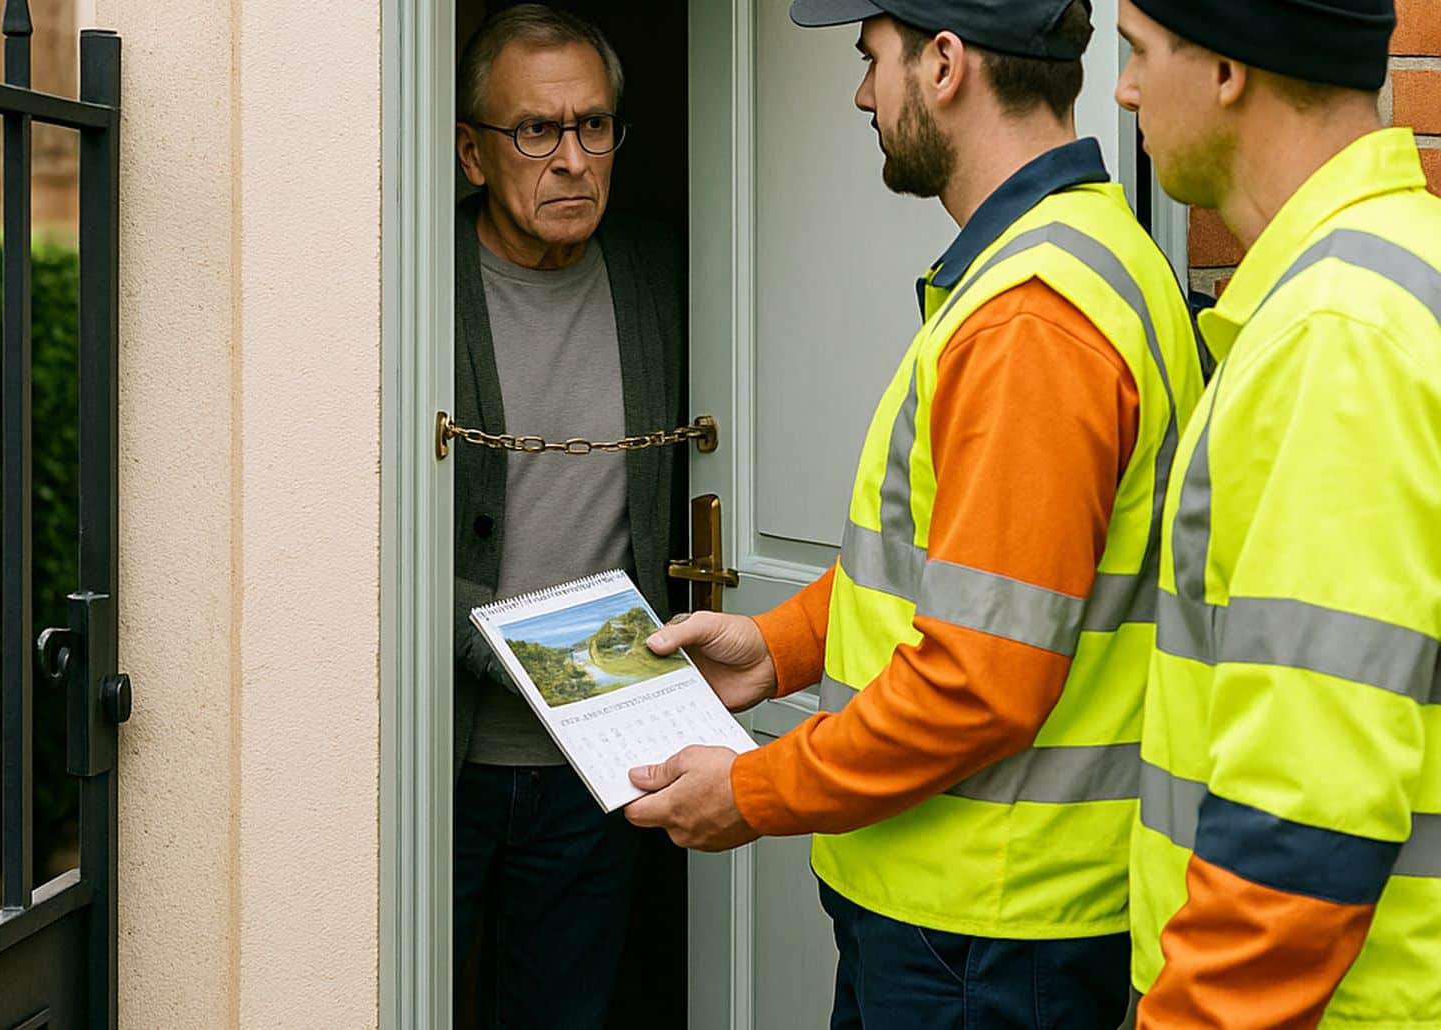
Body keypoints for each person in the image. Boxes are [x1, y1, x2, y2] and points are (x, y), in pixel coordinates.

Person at [625, 1, 1205, 1025]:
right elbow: (964, 572)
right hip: (972, 926)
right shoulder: (1064, 260)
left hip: (985, 936)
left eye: (869, 60)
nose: (861, 93)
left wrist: (752, 789)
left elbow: (978, 684)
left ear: (943, 65)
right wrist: (773, 647)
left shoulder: (1036, 313)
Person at [1113, 2, 1441, 1026]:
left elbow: (1304, 811)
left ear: (1224, 69)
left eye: (1135, 51)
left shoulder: (1334, 336)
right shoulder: (1393, 269)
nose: (1121, 89)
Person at [449, 6, 685, 1027]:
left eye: (593, 126)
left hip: (600, 761)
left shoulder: (662, 275)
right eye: (535, 130)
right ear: (471, 150)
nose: (572, 159)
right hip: (440, 755)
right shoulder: (413, 286)